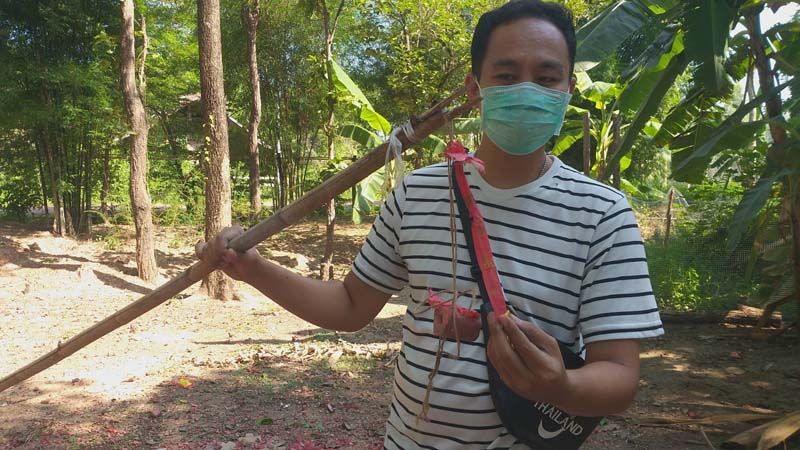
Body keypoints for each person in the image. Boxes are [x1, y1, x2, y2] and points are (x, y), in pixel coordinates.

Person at [197, 1, 664, 448]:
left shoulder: (604, 215)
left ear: (568, 90)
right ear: (474, 89)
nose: (526, 91)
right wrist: (253, 269)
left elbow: (619, 377)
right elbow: (350, 306)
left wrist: (560, 387)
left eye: (546, 78)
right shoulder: (417, 193)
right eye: (506, 76)